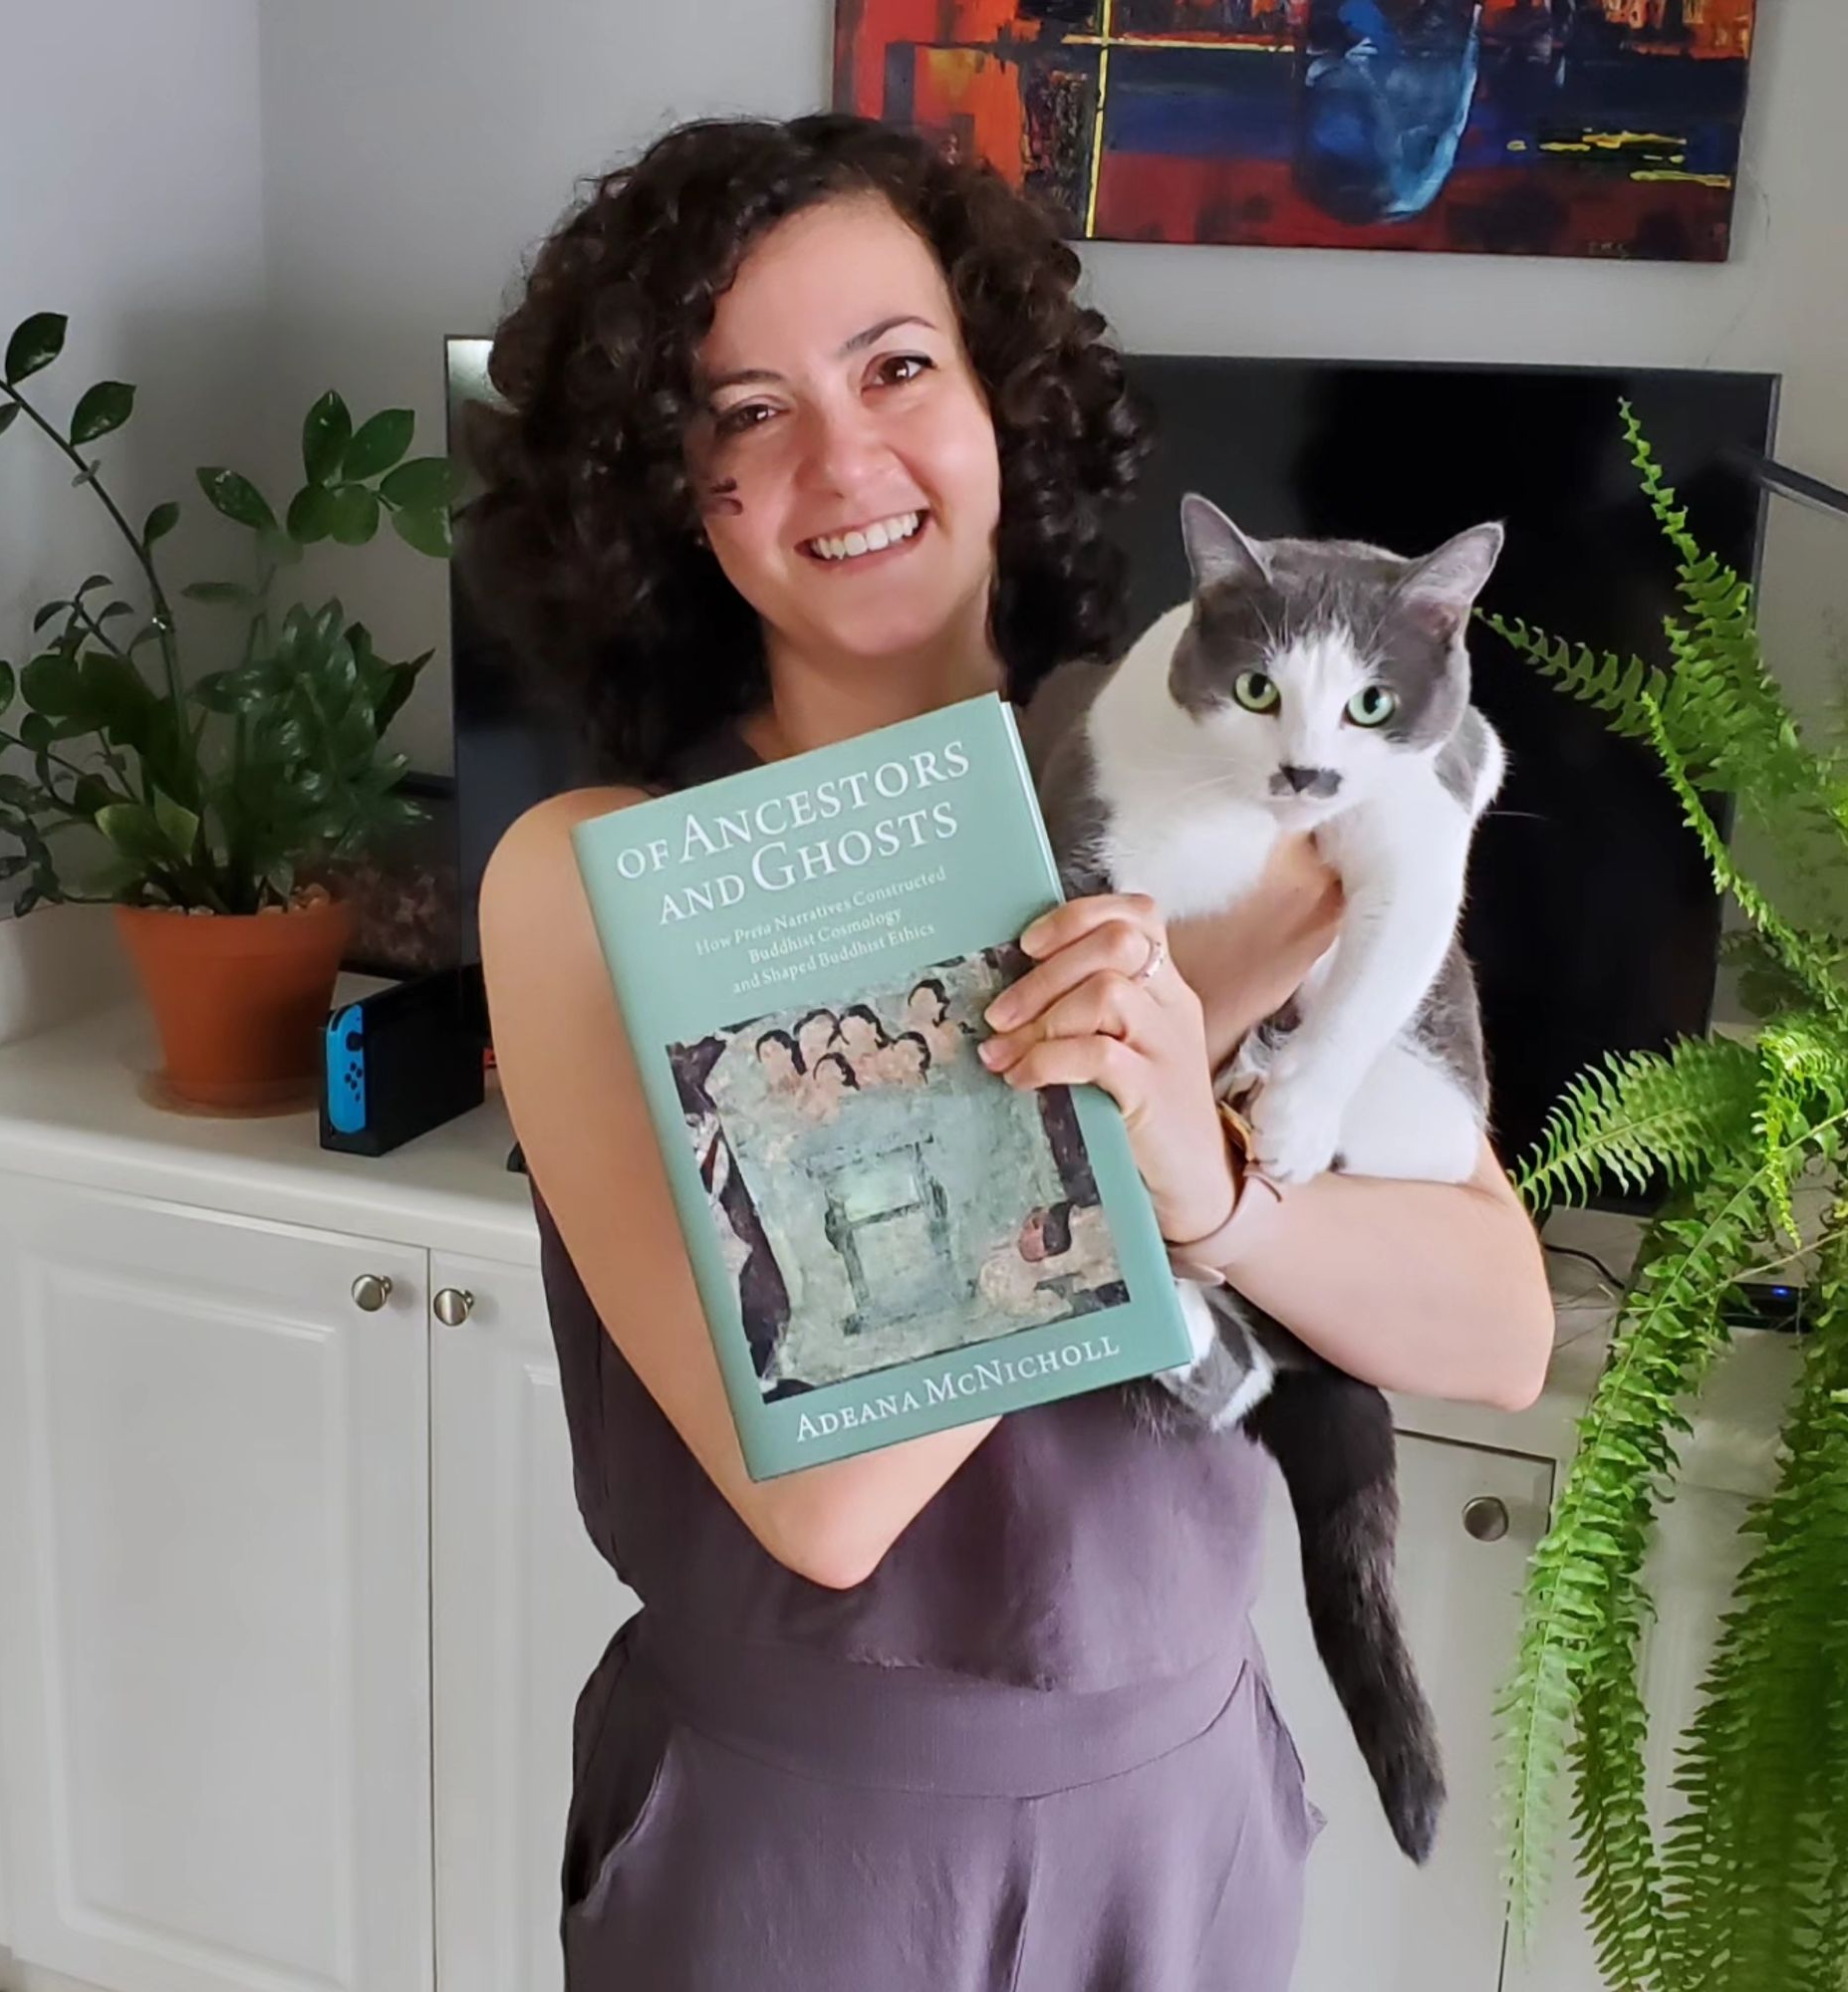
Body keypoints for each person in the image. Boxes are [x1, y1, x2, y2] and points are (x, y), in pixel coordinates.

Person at [466, 113, 1554, 1992]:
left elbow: (1499, 1332)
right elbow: (829, 1501)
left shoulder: (1233, 784)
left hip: (1193, 1821)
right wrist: (1189, 1015)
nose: (842, 459)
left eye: (898, 366)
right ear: (666, 491)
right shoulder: (599, 881)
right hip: (807, 1853)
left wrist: (1217, 1187)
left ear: (1001, 407)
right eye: (742, 415)